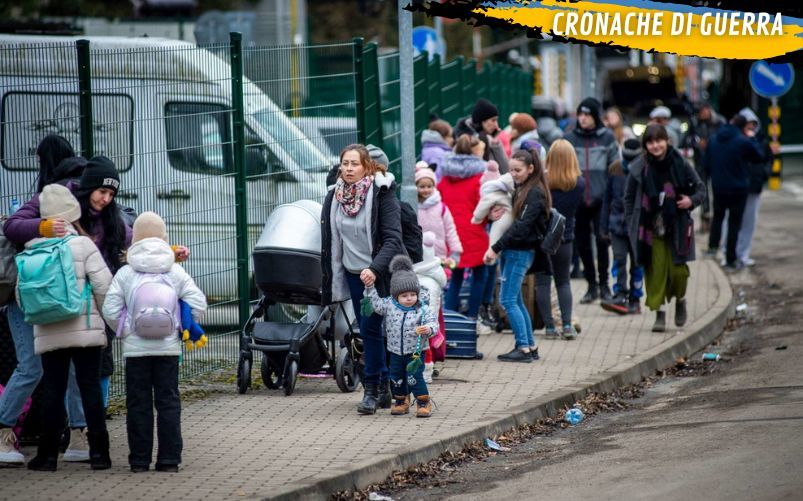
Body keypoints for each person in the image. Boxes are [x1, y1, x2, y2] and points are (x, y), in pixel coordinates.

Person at [0, 142, 94, 466]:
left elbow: (121, 234)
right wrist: (43, 226)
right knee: (32, 366)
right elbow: (11, 226)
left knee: (68, 365)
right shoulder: (46, 200)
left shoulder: (93, 209)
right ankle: (2, 431)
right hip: (28, 297)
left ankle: (79, 434)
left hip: (60, 298)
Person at [17, 184, 113, 471]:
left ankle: (46, 456)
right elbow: (105, 287)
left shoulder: (32, 248)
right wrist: (113, 324)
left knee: (53, 391)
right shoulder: (83, 245)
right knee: (89, 389)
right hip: (85, 327)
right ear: (72, 214)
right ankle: (99, 454)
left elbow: (24, 298)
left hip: (49, 329)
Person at [102, 212, 207, 473]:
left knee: (137, 404)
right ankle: (169, 460)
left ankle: (139, 460)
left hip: (135, 351)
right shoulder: (174, 270)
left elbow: (110, 309)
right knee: (168, 401)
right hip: (167, 348)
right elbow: (198, 303)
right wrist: (179, 326)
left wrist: (126, 330)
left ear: (134, 238)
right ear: (164, 238)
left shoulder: (126, 272)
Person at [321, 144, 403, 415]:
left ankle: (378, 386)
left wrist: (375, 269)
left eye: (354, 163)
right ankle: (378, 387)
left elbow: (393, 239)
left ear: (367, 167)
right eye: (345, 163)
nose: (348, 168)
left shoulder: (382, 194)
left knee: (380, 329)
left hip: (380, 275)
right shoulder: (335, 196)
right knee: (368, 331)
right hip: (355, 275)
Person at [625, 124, 706, 332]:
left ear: (667, 141)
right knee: (655, 271)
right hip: (649, 229)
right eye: (650, 142)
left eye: (659, 141)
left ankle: (680, 299)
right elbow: (628, 198)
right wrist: (631, 222)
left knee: (679, 272)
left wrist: (691, 201)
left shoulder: (680, 163)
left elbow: (700, 189)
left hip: (677, 225)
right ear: (645, 145)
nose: (655, 146)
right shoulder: (638, 168)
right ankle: (659, 313)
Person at [483, 149, 551, 362]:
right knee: (517, 300)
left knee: (508, 300)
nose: (513, 174)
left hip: (518, 252)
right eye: (511, 169)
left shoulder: (534, 193)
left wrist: (496, 247)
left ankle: (522, 348)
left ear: (531, 169)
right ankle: (529, 345)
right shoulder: (525, 188)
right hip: (517, 251)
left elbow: (521, 227)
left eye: (518, 170)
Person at [364, 255, 439, 417]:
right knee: (396, 377)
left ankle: (423, 402)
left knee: (414, 376)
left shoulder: (422, 309)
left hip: (416, 352)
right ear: (396, 295)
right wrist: (370, 288)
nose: (409, 298)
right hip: (395, 351)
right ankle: (401, 400)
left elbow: (434, 324)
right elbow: (376, 304)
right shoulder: (389, 305)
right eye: (404, 296)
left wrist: (428, 329)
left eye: (412, 294)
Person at [564, 97, 619, 303]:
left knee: (602, 241)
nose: (583, 118)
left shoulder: (607, 138)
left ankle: (604, 285)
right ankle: (591, 286)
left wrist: (614, 198)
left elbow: (615, 170)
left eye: (587, 114)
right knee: (583, 244)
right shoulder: (569, 139)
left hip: (601, 201)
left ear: (596, 116)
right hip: (577, 201)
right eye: (580, 114)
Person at [438, 135, 491, 332]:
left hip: (451, 233)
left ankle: (450, 318)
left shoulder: (444, 178)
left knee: (456, 275)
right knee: (480, 275)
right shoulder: (479, 177)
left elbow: (439, 201)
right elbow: (483, 206)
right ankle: (472, 317)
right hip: (474, 231)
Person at [704, 114, 771, 271]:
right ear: (742, 127)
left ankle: (712, 247)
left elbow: (706, 164)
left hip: (718, 187)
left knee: (718, 217)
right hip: (738, 188)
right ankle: (730, 259)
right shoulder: (742, 141)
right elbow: (759, 156)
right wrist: (752, 138)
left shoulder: (714, 139)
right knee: (734, 224)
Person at [542, 139, 585, 339]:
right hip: (566, 237)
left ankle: (549, 327)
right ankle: (567, 325)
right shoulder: (578, 183)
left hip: (543, 238)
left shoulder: (543, 182)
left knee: (543, 282)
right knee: (563, 282)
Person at [601, 139, 644, 315]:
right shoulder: (615, 169)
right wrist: (603, 227)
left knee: (637, 263)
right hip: (616, 225)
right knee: (619, 259)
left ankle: (635, 299)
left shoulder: (644, 169)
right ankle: (619, 294)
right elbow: (607, 199)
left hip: (638, 226)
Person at [735, 107, 772, 267]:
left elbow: (767, 158)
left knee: (750, 221)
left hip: (754, 185)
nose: (750, 127)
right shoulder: (737, 141)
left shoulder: (760, 139)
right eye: (747, 124)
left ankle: (744, 254)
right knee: (734, 221)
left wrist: (764, 174)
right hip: (737, 186)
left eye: (752, 124)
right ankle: (731, 253)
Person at [414, 233, 448, 383]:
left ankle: (419, 371)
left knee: (414, 345)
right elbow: (443, 282)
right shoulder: (435, 274)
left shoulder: (410, 276)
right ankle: (427, 372)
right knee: (426, 344)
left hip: (410, 318)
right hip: (431, 318)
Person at [415, 162, 462, 268]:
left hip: (439, 255)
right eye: (422, 186)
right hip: (419, 255)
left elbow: (450, 229)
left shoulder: (441, 208)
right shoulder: (413, 208)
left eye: (429, 186)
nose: (426, 189)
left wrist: (455, 251)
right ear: (415, 187)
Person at [690, 102, 725, 231]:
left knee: (717, 191)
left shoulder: (720, 121)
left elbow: (724, 139)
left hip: (716, 162)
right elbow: (688, 138)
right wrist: (697, 143)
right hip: (700, 161)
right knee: (702, 191)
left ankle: (717, 221)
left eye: (705, 111)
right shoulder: (695, 122)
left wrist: (711, 143)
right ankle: (705, 220)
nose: (703, 114)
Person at [454, 98, 510, 174]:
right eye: (493, 120)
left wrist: (495, 144)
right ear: (482, 121)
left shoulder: (488, 139)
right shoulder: (468, 142)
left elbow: (505, 170)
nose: (496, 125)